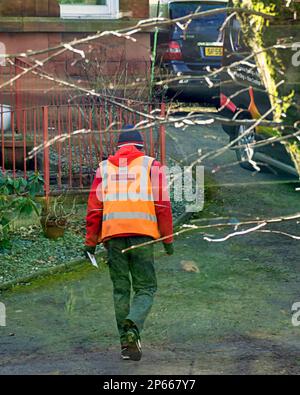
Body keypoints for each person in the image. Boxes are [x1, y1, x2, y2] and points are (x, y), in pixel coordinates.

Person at [84, 125, 174, 361]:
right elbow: (162, 206)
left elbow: (94, 209)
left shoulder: (104, 168)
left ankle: (126, 343)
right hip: (142, 237)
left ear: (118, 147)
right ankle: (133, 327)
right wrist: (168, 240)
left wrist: (90, 242)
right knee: (146, 287)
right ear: (140, 146)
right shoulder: (151, 165)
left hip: (113, 238)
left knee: (121, 289)